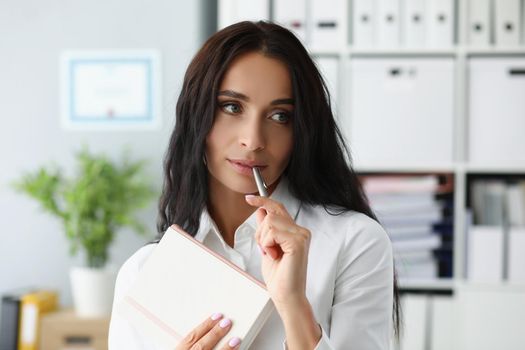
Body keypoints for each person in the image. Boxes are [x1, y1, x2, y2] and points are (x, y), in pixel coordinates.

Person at [108, 21, 400, 350]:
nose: (253, 140)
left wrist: (294, 307)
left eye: (280, 116)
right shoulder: (144, 272)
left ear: (302, 130)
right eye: (232, 107)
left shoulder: (355, 243)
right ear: (197, 116)